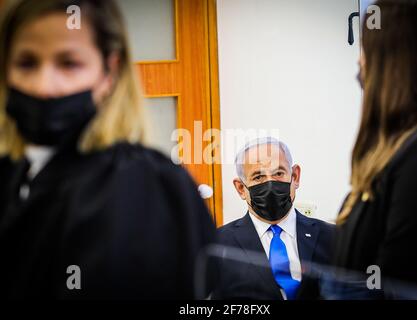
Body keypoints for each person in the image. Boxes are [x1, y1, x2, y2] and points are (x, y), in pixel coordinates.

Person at [0, 0, 215, 299]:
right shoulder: (11, 175)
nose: (44, 86)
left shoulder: (146, 184)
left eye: (69, 64)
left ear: (109, 72)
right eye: (26, 63)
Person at [332, 0, 417, 299]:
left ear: (391, 67)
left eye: (365, 51)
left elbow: (398, 282)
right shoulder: (391, 155)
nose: (359, 64)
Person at [211, 137, 335, 300]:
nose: (270, 185)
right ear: (241, 188)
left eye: (278, 173)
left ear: (295, 177)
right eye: (258, 177)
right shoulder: (218, 245)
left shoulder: (333, 238)